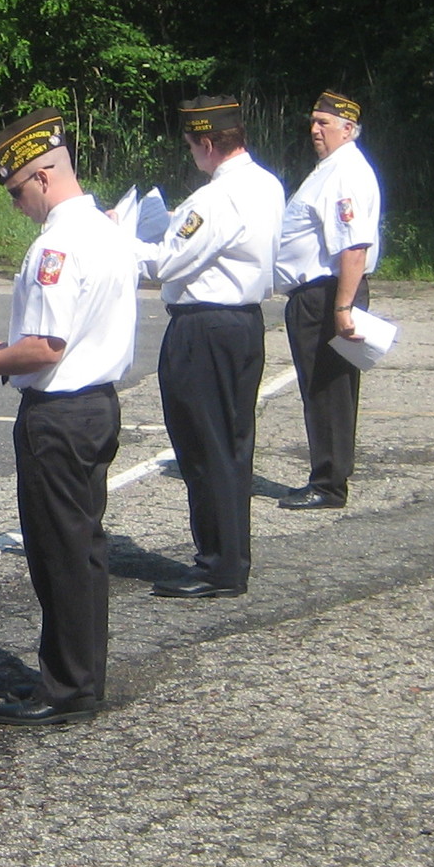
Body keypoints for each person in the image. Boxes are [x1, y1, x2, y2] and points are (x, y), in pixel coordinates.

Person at [0, 111, 138, 725]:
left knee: (60, 552)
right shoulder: (109, 228)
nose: (15, 206)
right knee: (82, 548)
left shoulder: (57, 244)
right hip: (97, 404)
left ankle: (67, 687)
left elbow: (43, 348)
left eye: (16, 191)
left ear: (42, 176)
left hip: (60, 413)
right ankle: (80, 675)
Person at [135, 94, 284, 600]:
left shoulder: (213, 199)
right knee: (233, 443)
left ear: (204, 143)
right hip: (242, 322)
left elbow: (163, 265)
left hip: (204, 328)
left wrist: (117, 236)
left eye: (191, 146)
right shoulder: (265, 182)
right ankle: (230, 557)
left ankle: (218, 565)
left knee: (204, 447)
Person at [275, 89, 383, 511]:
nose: (315, 129)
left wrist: (342, 307)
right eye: (314, 121)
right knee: (325, 389)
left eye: (325, 122)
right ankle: (330, 474)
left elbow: (353, 246)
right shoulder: (332, 168)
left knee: (327, 389)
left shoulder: (345, 172)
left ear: (348, 129)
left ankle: (329, 483)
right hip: (321, 293)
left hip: (327, 294)